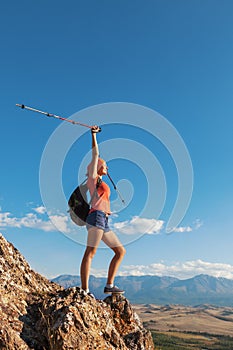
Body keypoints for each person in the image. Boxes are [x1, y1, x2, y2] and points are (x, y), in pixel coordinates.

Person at [80, 125, 126, 297]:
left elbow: (101, 200)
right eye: (105, 165)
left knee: (120, 251)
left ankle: (109, 285)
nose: (107, 167)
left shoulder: (101, 183)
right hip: (96, 218)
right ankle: (84, 291)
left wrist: (107, 211)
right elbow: (95, 154)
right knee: (90, 252)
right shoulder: (93, 178)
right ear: (97, 167)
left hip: (103, 219)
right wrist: (93, 135)